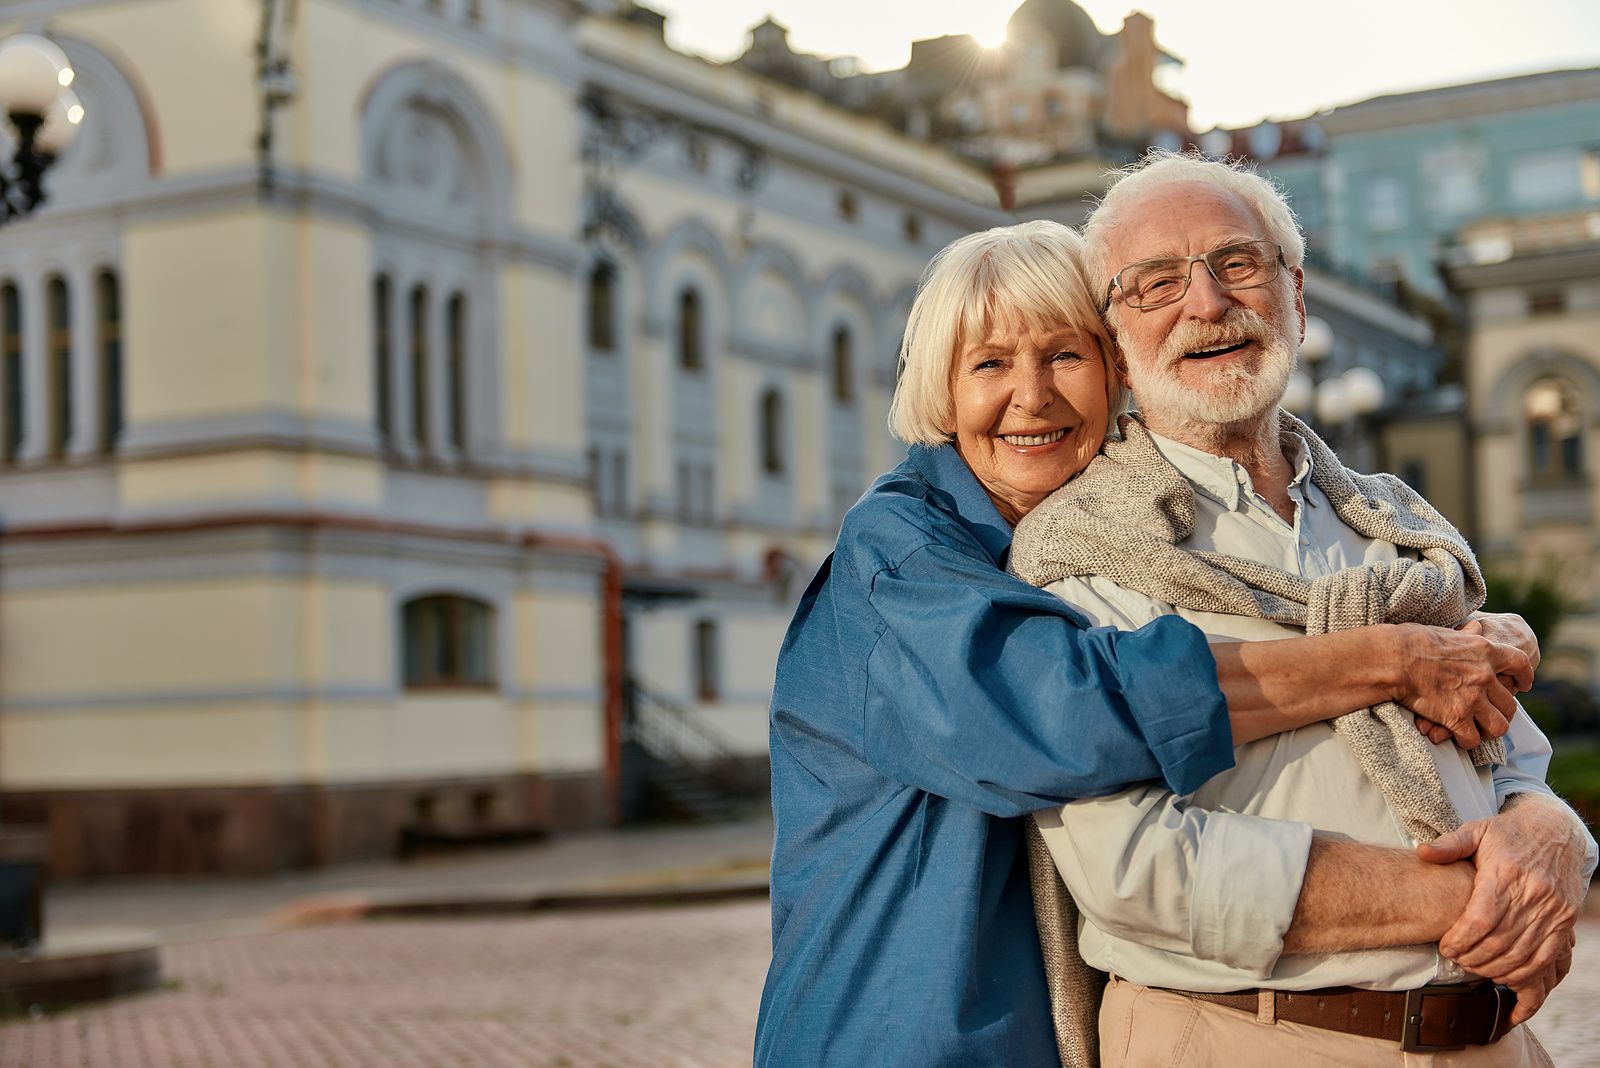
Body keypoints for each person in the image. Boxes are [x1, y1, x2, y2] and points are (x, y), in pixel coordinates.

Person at [752, 219, 1538, 1067]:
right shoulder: (900, 552)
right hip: (903, 1033)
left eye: (1065, 355)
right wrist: (1389, 658)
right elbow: (1065, 714)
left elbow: (1282, 611)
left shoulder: (1121, 538)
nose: (1032, 396)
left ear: (1116, 367)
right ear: (939, 390)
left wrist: (1462, 636)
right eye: (988, 364)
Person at [1011, 151, 1598, 1067]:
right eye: (1155, 283)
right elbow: (1130, 865)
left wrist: (1551, 830)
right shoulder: (1079, 547)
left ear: (1296, 295)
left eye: (1238, 264)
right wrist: (1476, 897)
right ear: (1113, 340)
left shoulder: (1399, 522)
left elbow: (1511, 756)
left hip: (1494, 1043)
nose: (1207, 303)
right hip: (1245, 1039)